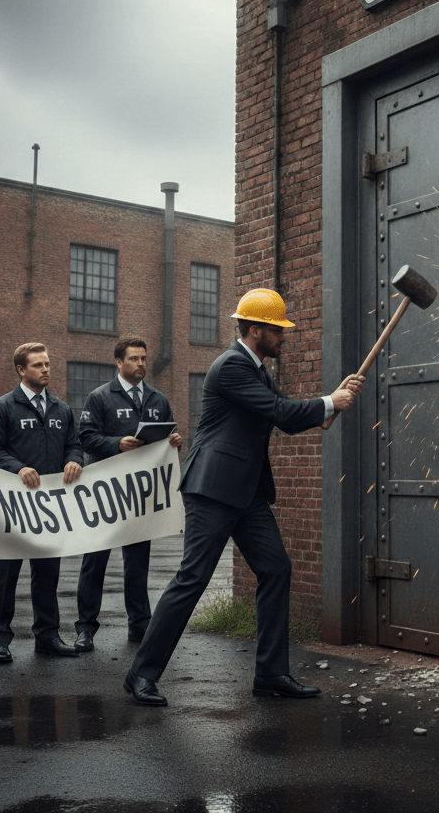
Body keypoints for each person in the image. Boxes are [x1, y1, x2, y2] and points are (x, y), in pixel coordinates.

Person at [123, 288, 364, 705]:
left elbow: (284, 417)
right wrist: (328, 401)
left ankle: (271, 674)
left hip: (247, 493)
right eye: (278, 330)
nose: (284, 337)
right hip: (213, 490)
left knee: (277, 568)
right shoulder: (231, 366)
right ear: (256, 330)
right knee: (192, 580)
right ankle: (140, 676)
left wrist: (331, 404)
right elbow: (281, 411)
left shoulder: (257, 370)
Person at [73, 337, 183, 651]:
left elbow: (166, 435)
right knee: (94, 561)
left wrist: (172, 442)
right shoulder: (100, 397)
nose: (141, 364)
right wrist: (116, 444)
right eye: (134, 359)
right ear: (118, 362)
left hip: (139, 494)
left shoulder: (157, 399)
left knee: (137, 563)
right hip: (105, 493)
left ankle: (139, 625)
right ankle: (85, 628)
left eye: (144, 359)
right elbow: (86, 438)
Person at [0, 343, 84, 661]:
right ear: (21, 370)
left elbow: (74, 445)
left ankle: (48, 637)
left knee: (47, 574)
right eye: (38, 365)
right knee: (5, 576)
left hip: (50, 507)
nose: (46, 369)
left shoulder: (61, 408)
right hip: (13, 506)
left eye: (48, 364)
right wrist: (18, 468)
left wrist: (74, 460)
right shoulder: (3, 407)